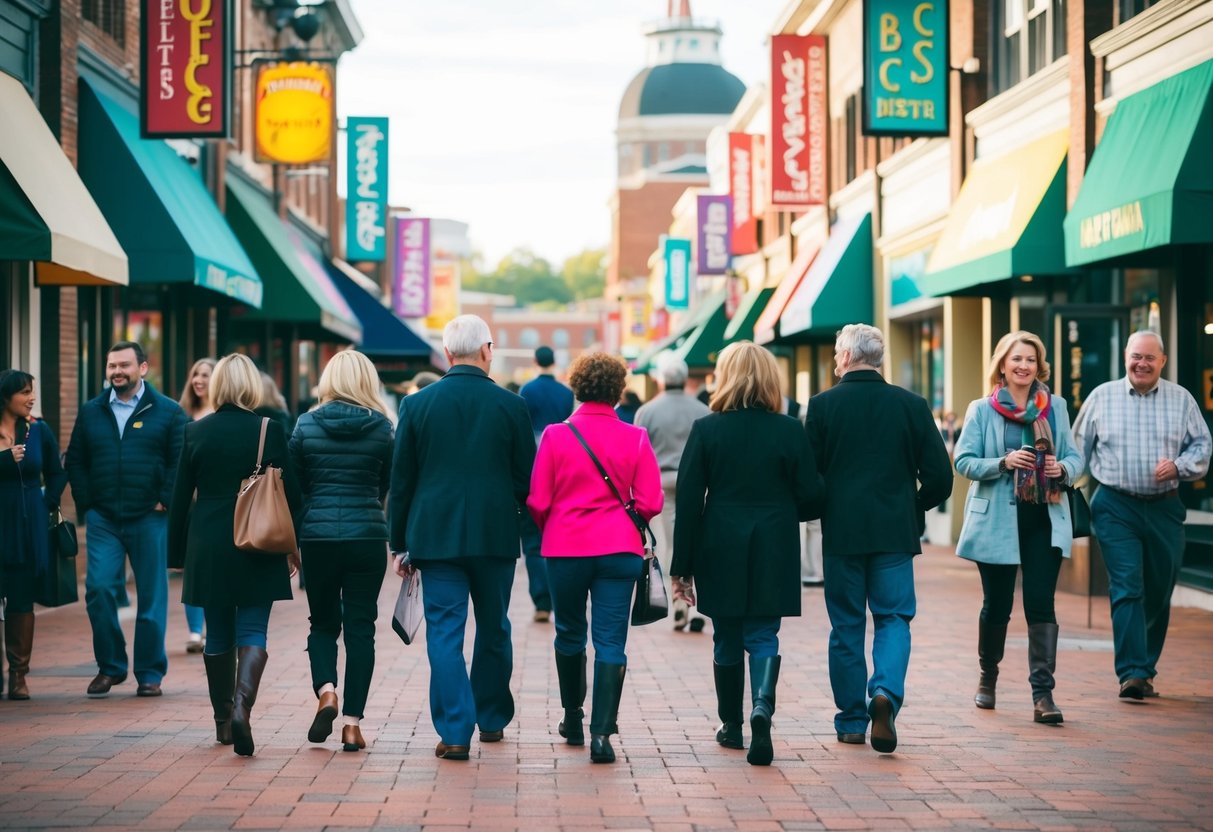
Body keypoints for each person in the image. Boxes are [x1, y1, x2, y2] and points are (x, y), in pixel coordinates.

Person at [389, 315, 535, 761]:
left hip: (435, 537)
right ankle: (490, 717)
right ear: (487, 351)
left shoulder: (416, 406)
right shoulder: (512, 406)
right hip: (494, 535)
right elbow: (525, 480)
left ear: (448, 355)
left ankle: (455, 730)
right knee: (494, 627)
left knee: (445, 633)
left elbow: (403, 482)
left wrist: (399, 543)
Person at [670, 342, 822, 766]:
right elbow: (811, 496)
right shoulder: (790, 429)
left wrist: (681, 567)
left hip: (719, 541)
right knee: (763, 634)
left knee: (726, 636)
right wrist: (785, 506)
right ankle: (762, 707)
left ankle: (732, 725)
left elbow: (688, 501)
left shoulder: (707, 429)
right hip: (774, 539)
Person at [805, 324, 952, 753]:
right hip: (894, 532)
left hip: (843, 534)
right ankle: (885, 693)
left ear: (847, 358)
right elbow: (941, 478)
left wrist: (818, 508)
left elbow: (810, 479)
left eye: (836, 354)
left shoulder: (823, 406)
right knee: (893, 618)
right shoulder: (911, 405)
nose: (835, 361)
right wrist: (913, 506)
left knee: (847, 625)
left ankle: (851, 720)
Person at [527, 352, 662, 764]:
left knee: (569, 632)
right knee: (611, 640)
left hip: (566, 547)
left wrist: (557, 522)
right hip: (619, 548)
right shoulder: (635, 437)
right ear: (619, 390)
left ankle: (572, 716)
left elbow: (537, 500)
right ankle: (602, 734)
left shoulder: (555, 435)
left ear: (577, 387)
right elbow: (652, 501)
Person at [167, 353, 302, 756]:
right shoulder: (269, 429)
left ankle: (223, 721)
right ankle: (244, 707)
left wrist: (177, 554)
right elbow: (292, 494)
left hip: (208, 542)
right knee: (253, 629)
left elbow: (178, 500)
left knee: (218, 632)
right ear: (252, 386)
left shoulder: (196, 432)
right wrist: (294, 546)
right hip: (258, 539)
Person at [953, 332, 1084, 724]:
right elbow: (963, 461)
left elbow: (1077, 456)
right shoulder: (982, 409)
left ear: (1038, 365)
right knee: (998, 604)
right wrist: (1004, 462)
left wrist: (1064, 468)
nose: (1023, 366)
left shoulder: (1055, 406)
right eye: (1016, 359)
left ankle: (1043, 695)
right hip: (996, 520)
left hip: (1045, 517)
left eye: (1030, 359)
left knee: (1041, 604)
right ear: (1003, 365)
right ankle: (988, 677)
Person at [1072, 331, 1211, 700]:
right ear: (1125, 357)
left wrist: (1180, 466)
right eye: (1136, 356)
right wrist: (1059, 481)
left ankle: (1144, 666)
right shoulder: (1102, 397)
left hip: (1165, 506)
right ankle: (1132, 673)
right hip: (1115, 505)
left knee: (1159, 587)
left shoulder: (1182, 400)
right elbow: (1078, 451)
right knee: (1127, 586)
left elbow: (1202, 446)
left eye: (1150, 358)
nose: (1142, 364)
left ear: (1162, 361)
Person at [66, 341, 188, 699]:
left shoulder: (168, 411)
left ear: (143, 368)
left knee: (151, 598)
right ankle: (111, 667)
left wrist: (165, 499)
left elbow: (179, 460)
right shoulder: (92, 411)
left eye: (124, 365)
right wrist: (87, 503)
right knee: (99, 589)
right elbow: (75, 459)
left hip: (149, 517)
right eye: (111, 366)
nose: (117, 371)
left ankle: (149, 673)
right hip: (104, 517)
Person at [289, 350, 394, 753]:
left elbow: (296, 487)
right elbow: (386, 484)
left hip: (317, 538)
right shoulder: (383, 428)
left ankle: (327, 690)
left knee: (322, 624)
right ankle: (352, 724)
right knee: (361, 629)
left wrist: (299, 534)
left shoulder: (305, 424)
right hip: (368, 535)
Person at [0, 370, 68, 700]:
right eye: (24, 392)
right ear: (5, 396)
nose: (31, 398)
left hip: (27, 526)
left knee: (21, 597)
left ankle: (18, 675)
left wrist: (46, 504)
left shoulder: (37, 430)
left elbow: (56, 472)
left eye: (32, 392)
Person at [634, 353, 710, 631]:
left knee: (671, 543)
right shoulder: (701, 409)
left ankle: (679, 602)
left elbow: (639, 452)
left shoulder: (648, 410)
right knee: (695, 540)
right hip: (697, 483)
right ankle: (694, 605)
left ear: (663, 380)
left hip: (661, 481)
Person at [518, 345, 575, 623]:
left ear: (534, 361)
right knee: (562, 535)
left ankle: (542, 601)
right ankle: (561, 594)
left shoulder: (526, 391)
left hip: (532, 466)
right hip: (563, 466)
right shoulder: (566, 393)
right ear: (554, 362)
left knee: (532, 542)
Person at [176, 358, 216, 655]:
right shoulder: (182, 416)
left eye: (205, 375)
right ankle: (194, 630)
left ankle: (213, 627)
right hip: (190, 504)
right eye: (195, 374)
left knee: (213, 569)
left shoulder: (221, 414)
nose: (198, 380)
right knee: (191, 566)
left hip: (215, 502)